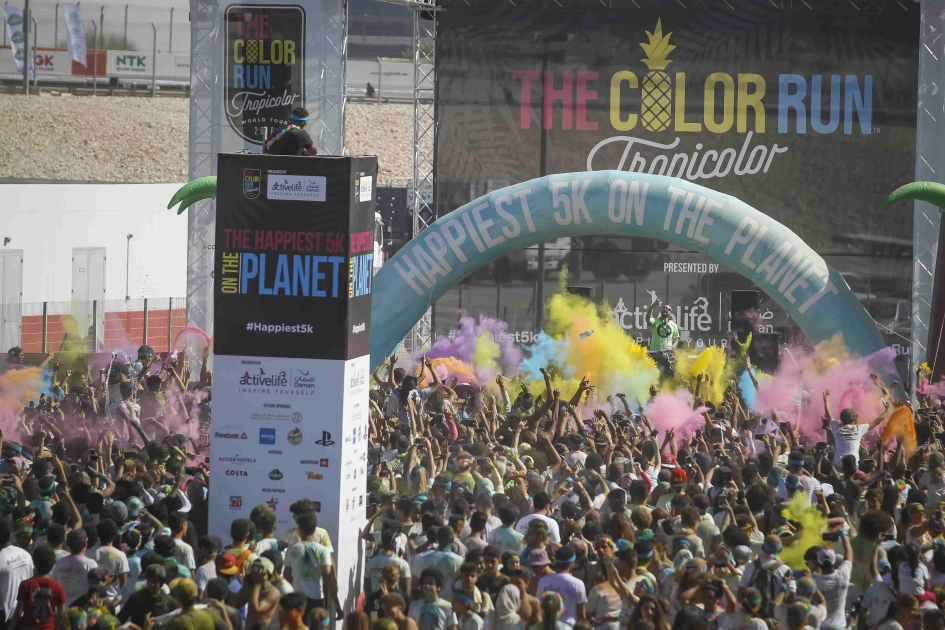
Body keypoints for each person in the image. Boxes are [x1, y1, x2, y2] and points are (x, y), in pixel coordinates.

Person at [284, 513, 341, 618]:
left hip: (297, 599)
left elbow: (286, 576)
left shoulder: (291, 549)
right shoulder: (323, 550)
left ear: (300, 530)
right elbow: (328, 578)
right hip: (316, 599)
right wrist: (337, 605)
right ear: (314, 530)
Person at [11, 545, 66, 630]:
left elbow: (18, 613)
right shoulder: (58, 587)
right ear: (52, 564)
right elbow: (61, 614)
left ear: (34, 562)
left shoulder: (25, 585)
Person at [536, 547, 587, 628]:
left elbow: (538, 606)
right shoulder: (578, 584)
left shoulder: (543, 581)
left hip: (547, 627)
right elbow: (581, 615)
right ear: (572, 563)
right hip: (569, 627)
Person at [50, 528, 96, 607]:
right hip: (81, 610)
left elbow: (54, 586)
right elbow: (95, 589)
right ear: (85, 544)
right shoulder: (90, 564)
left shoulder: (59, 563)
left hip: (62, 608)